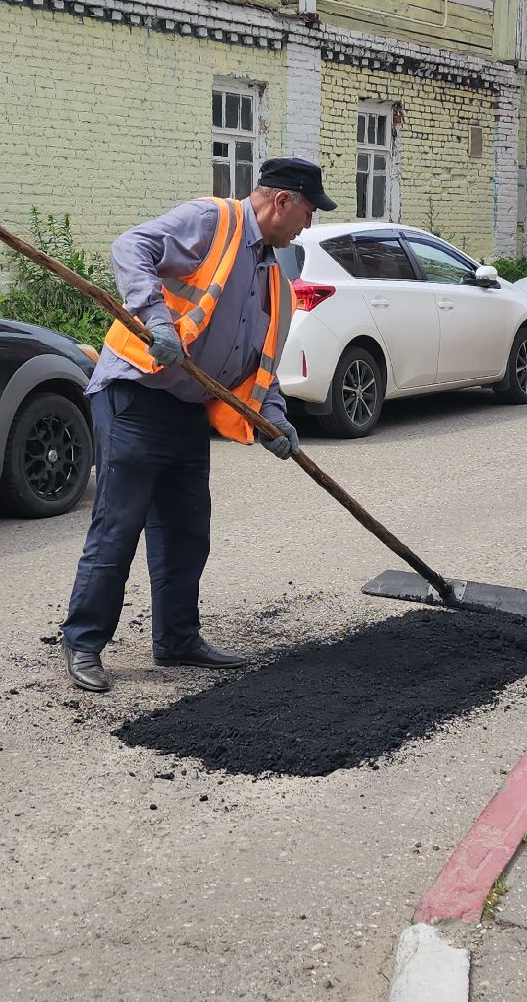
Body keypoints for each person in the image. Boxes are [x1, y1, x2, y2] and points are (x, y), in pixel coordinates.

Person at [58, 158, 336, 692]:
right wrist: (157, 322)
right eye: (307, 212)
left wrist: (274, 422)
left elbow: (257, 366)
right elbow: (129, 248)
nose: (308, 225)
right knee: (119, 525)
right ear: (281, 201)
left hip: (188, 408)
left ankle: (178, 640)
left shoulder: (274, 273)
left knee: (186, 531)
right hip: (136, 390)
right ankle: (84, 643)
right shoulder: (213, 221)